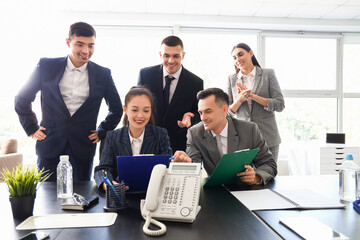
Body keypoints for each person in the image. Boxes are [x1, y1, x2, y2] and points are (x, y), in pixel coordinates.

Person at [14, 22, 123, 181]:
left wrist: (101, 131)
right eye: (80, 44)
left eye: (91, 46)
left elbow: (116, 109)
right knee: (48, 198)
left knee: (82, 198)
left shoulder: (103, 74)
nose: (86, 51)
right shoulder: (47, 66)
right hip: (50, 144)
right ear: (68, 42)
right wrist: (31, 128)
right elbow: (22, 99)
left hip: (82, 147)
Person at [173, 88, 277, 185]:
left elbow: (269, 164)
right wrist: (187, 163)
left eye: (208, 111)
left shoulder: (249, 130)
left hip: (246, 190)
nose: (203, 118)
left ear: (224, 110)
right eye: (200, 113)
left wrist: (256, 177)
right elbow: (194, 166)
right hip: (216, 192)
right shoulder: (194, 133)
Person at [94, 86, 172, 190]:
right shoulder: (113, 136)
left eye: (146, 111)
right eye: (135, 110)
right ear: (125, 109)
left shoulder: (160, 134)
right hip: (121, 196)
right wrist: (108, 185)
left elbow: (169, 165)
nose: (140, 115)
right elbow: (102, 169)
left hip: (153, 195)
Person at [137, 35, 204, 152]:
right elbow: (137, 105)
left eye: (176, 56)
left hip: (179, 144)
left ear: (183, 56)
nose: (171, 61)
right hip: (147, 141)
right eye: (166, 55)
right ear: (160, 55)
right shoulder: (145, 75)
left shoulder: (196, 82)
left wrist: (190, 119)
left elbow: (199, 113)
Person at [227, 43, 284, 161]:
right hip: (243, 140)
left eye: (240, 54)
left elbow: (280, 104)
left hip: (268, 138)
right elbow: (227, 113)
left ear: (251, 53)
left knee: (269, 176)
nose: (238, 59)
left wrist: (253, 96)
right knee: (245, 177)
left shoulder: (268, 74)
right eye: (234, 58)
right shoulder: (231, 79)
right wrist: (240, 99)